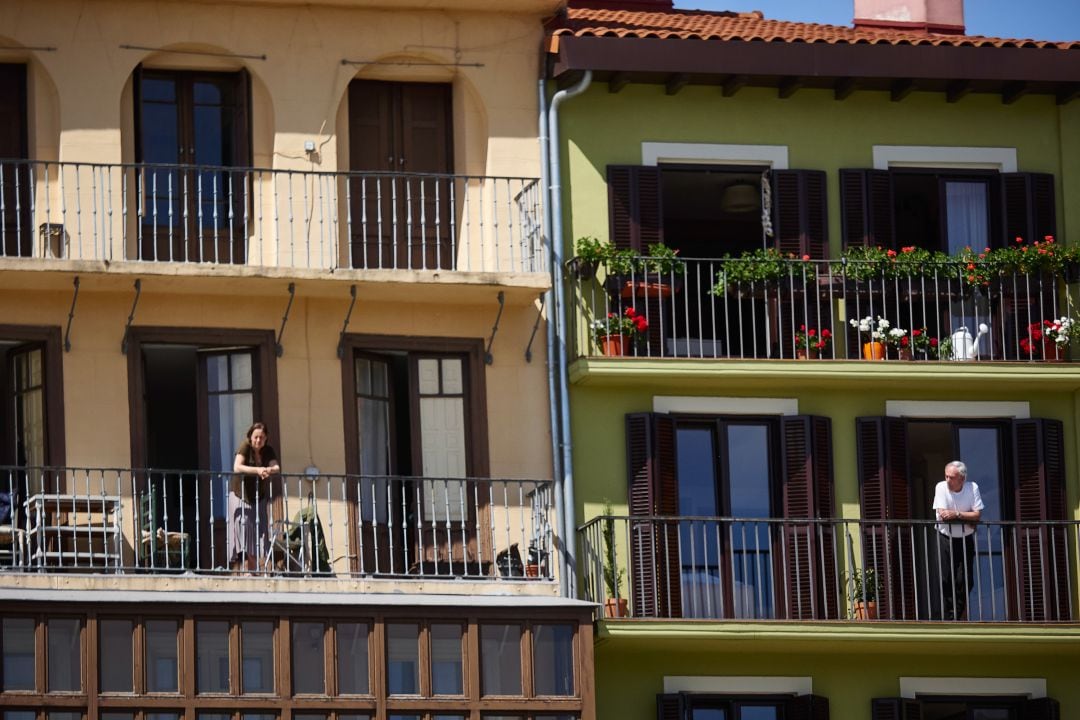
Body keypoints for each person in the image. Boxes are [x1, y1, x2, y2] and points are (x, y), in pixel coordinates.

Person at [930, 460, 983, 621]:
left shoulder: (972, 488)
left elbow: (977, 515)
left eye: (951, 477)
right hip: (945, 538)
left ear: (962, 478)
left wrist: (957, 515)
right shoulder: (941, 487)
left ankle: (957, 615)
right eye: (946, 476)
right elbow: (943, 515)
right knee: (945, 578)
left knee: (966, 580)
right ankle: (948, 616)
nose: (947, 480)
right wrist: (968, 518)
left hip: (965, 539)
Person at [228, 422, 281, 572]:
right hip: (240, 495)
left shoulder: (268, 450)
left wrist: (267, 469)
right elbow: (237, 466)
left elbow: (276, 467)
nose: (258, 440)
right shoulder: (245, 446)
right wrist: (258, 470)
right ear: (250, 437)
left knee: (258, 532)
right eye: (256, 437)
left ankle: (253, 569)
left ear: (266, 438)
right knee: (243, 529)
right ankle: (245, 569)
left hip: (258, 496)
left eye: (262, 438)